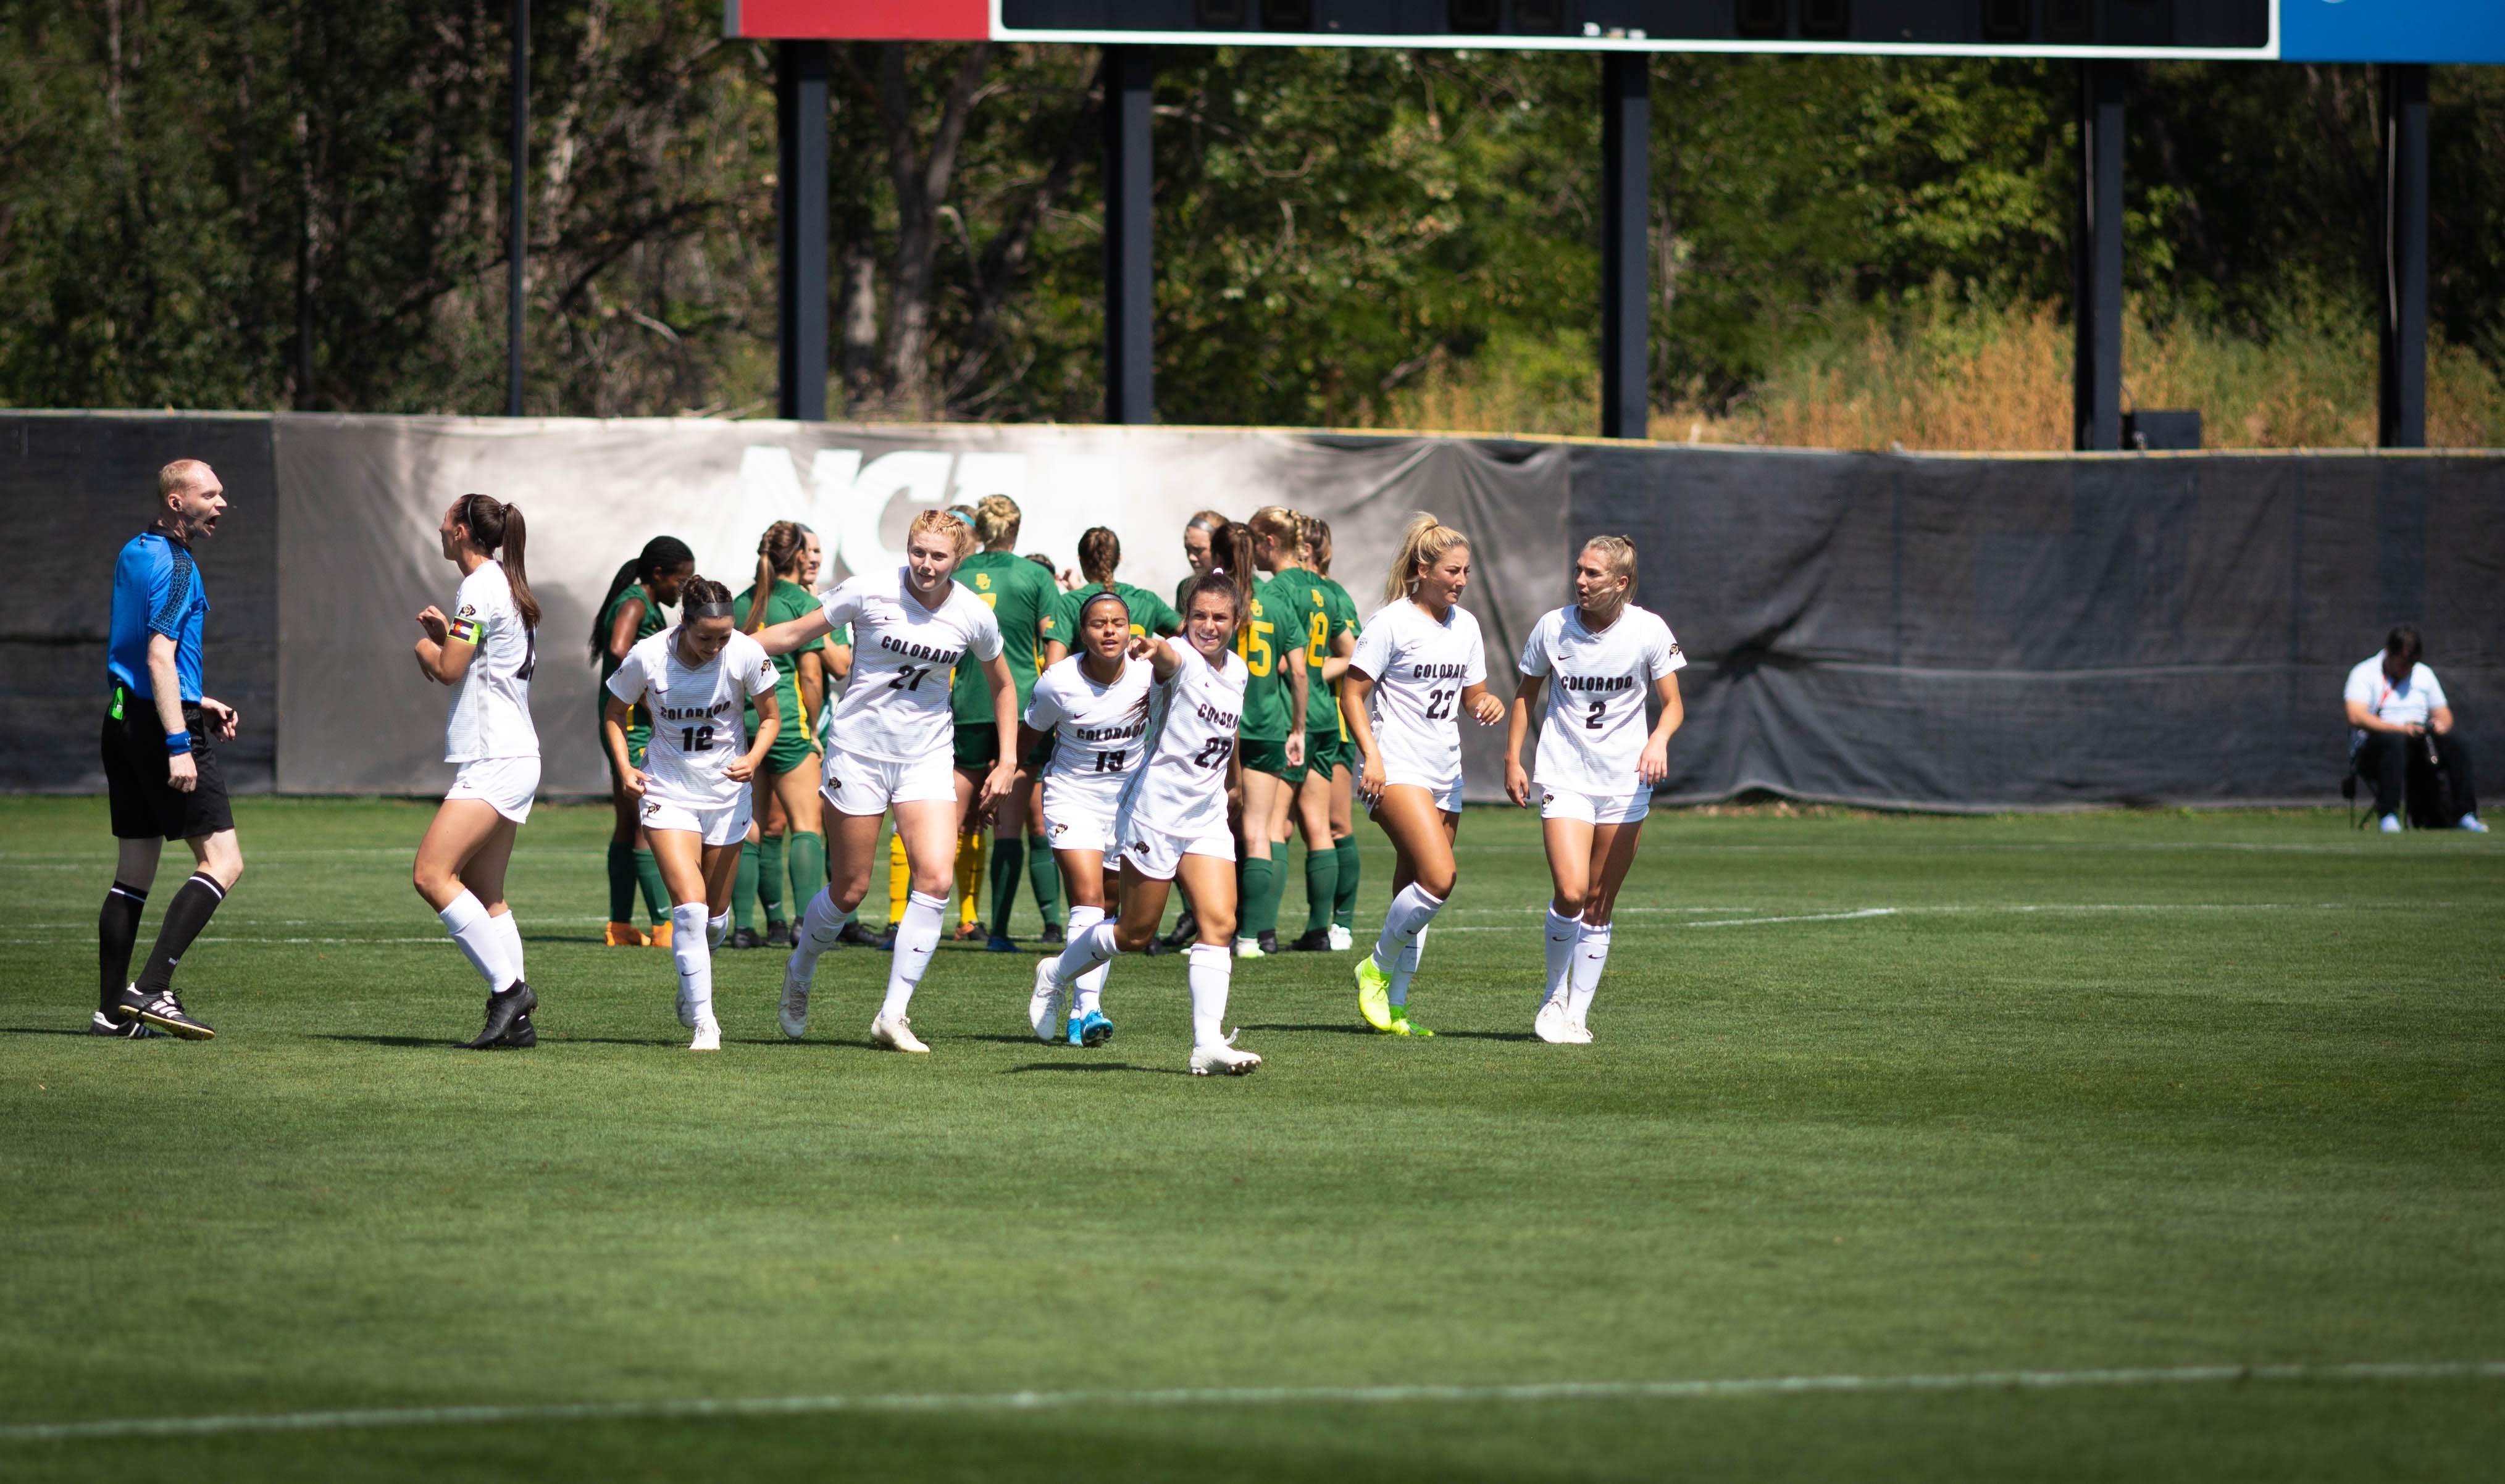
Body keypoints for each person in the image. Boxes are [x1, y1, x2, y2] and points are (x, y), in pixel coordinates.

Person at [758, 508, 1017, 1054]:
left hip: (925, 757)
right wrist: (721, 644)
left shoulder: (972, 613)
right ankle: (801, 966)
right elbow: (794, 633)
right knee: (850, 890)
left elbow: (1003, 686)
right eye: (917, 552)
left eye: (938, 556)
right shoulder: (869, 590)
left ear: (959, 559)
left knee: (936, 880)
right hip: (858, 752)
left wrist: (1008, 759)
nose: (925, 564)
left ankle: (893, 1015)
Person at [1030, 575, 1264, 1076]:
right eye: (1199, 615)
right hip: (1154, 813)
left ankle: (1207, 1043)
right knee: (1135, 933)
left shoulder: (1239, 670)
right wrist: (1152, 647)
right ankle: (1055, 972)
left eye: (1219, 618)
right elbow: (1167, 657)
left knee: (1219, 924)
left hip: (1204, 816)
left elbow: (1229, 731)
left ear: (1236, 623)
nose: (1208, 626)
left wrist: (1233, 782)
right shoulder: (1176, 657)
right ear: (1186, 618)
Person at [1504, 536, 1687, 1044]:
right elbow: (1525, 695)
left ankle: (1577, 1015)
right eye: (1578, 572)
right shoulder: (1552, 626)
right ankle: (1552, 996)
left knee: (1600, 903)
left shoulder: (1649, 630)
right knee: (1570, 892)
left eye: (1593, 575)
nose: (1580, 582)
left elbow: (1672, 705)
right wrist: (1511, 758)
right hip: (1564, 774)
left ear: (1621, 584)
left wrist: (1658, 741)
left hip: (1624, 783)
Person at [94, 459, 244, 1040]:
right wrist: (180, 741)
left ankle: (111, 1013)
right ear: (177, 503)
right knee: (224, 862)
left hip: (122, 720)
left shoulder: (135, 550)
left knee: (132, 874)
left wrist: (197, 696)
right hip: (163, 729)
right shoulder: (178, 564)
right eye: (210, 493)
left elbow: (141, 658)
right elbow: (158, 655)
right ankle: (152, 988)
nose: (222, 502)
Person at [1342, 513, 1503, 1037]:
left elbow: (1471, 694)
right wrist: (1372, 757)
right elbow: (1351, 693)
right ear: (1422, 569)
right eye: (1452, 571)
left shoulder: (1467, 625)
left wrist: (1485, 703)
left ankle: (1395, 1006)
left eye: (1466, 572)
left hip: (1444, 771)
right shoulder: (1390, 622)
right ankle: (1375, 968)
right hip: (1396, 767)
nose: (1460, 580)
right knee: (1439, 879)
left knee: (1413, 889)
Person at [604, 577, 782, 1051]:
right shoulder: (648, 655)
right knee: (690, 910)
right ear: (684, 623)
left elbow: (771, 718)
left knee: (715, 919)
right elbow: (613, 712)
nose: (715, 646)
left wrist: (754, 758)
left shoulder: (744, 652)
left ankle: (692, 981)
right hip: (668, 791)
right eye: (706, 637)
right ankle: (706, 1021)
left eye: (723, 636)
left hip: (726, 796)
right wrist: (624, 766)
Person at [410, 494, 544, 1049]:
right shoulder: (502, 584)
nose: (439, 527)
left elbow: (447, 671)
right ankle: (518, 1024)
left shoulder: (480, 586)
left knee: (431, 875)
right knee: (487, 891)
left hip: (495, 757)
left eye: (445, 520)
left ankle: (509, 990)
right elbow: (476, 663)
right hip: (514, 755)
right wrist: (449, 637)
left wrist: (424, 646)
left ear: (462, 531)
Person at [1019, 588, 1156, 1046]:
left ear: (1130, 628)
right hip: (1071, 796)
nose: (1109, 631)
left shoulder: (1149, 676)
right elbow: (1028, 738)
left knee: (1112, 911)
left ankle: (1076, 1007)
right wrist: (1008, 776)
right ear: (1083, 632)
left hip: (1127, 804)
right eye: (1099, 624)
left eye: (1117, 622)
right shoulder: (1057, 682)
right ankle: (1093, 1006)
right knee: (1088, 898)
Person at [944, 495, 1063, 953]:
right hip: (1021, 709)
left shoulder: (958, 574)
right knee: (1012, 824)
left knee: (950, 821)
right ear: (1016, 529)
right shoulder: (1035, 576)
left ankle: (916, 924)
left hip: (967, 703)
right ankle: (999, 933)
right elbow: (1054, 643)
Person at [734, 522, 834, 948]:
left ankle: (744, 927)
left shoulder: (739, 603)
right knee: (806, 826)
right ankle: (803, 924)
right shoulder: (802, 603)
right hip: (787, 724)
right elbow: (812, 674)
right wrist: (812, 727)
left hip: (745, 726)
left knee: (753, 827)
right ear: (797, 557)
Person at [592, 537, 695, 947]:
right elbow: (619, 648)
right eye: (680, 579)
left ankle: (619, 926)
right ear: (658, 575)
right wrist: (647, 692)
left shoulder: (641, 602)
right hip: (631, 724)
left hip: (623, 719)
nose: (682, 589)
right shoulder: (636, 603)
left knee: (625, 821)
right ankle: (663, 926)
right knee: (645, 819)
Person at [1261, 513, 1356, 953]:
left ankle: (1260, 932)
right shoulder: (1326, 591)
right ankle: (1321, 928)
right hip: (1324, 717)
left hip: (1288, 716)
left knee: (1275, 824)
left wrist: (1295, 669)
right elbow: (1351, 654)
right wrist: (1316, 672)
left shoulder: (1276, 591)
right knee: (1319, 826)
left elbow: (1277, 658)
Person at [1229, 507, 1312, 959]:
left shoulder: (1217, 599)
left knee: (1209, 832)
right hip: (1267, 725)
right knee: (1261, 830)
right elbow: (1298, 673)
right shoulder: (1278, 603)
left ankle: (1213, 927)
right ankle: (1253, 936)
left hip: (1221, 727)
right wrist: (1296, 726)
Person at [2346, 625, 2484, 833]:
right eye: (2402, 664)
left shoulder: (2424, 675)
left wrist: (2440, 725)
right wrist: (2401, 729)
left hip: (2420, 747)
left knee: (2456, 743)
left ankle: (2465, 814)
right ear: (2389, 653)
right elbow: (2355, 716)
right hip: (2375, 749)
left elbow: (2444, 714)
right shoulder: (2364, 673)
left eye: (2411, 664)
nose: (2407, 670)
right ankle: (2388, 815)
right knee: (2394, 741)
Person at [1304, 517, 1366, 951]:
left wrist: (1311, 673)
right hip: (1296, 720)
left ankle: (1340, 923)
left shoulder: (1333, 596)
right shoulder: (1285, 595)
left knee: (1336, 823)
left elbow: (1358, 654)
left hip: (1333, 722)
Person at [1042, 527, 1183, 665]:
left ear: (1080, 559)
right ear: (1119, 558)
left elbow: (1053, 666)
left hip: (1090, 688)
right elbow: (1189, 633)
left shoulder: (1070, 602)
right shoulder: (1146, 599)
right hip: (1143, 688)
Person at [1174, 509, 1231, 617]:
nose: (1191, 557)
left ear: (1221, 549)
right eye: (1188, 549)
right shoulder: (1185, 588)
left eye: (1198, 550)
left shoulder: (1244, 589)